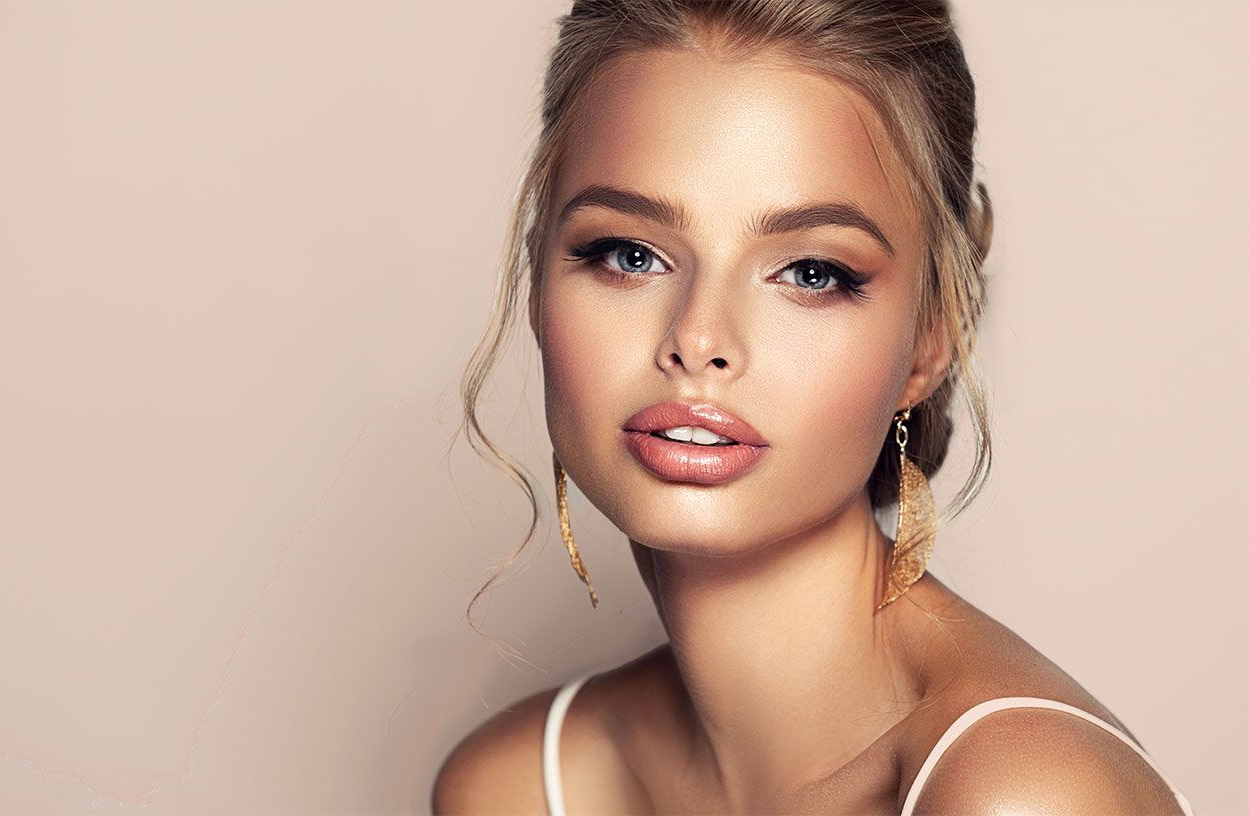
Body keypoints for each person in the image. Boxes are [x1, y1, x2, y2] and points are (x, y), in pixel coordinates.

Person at [432, 1, 1195, 813]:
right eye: (630, 255)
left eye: (810, 273)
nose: (698, 339)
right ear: (538, 279)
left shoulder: (1020, 793)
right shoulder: (516, 789)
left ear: (931, 338)